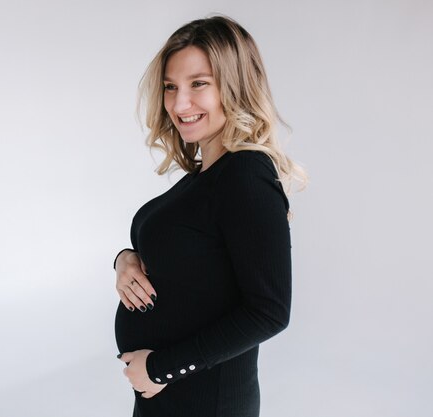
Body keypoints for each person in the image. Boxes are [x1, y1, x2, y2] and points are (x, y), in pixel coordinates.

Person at [112, 14, 308, 417]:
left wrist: (160, 369)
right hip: (171, 398)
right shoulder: (208, 176)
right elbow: (186, 260)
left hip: (205, 402)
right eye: (171, 87)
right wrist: (125, 260)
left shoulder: (246, 174)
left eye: (198, 84)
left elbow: (269, 311)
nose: (179, 103)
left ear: (234, 86)